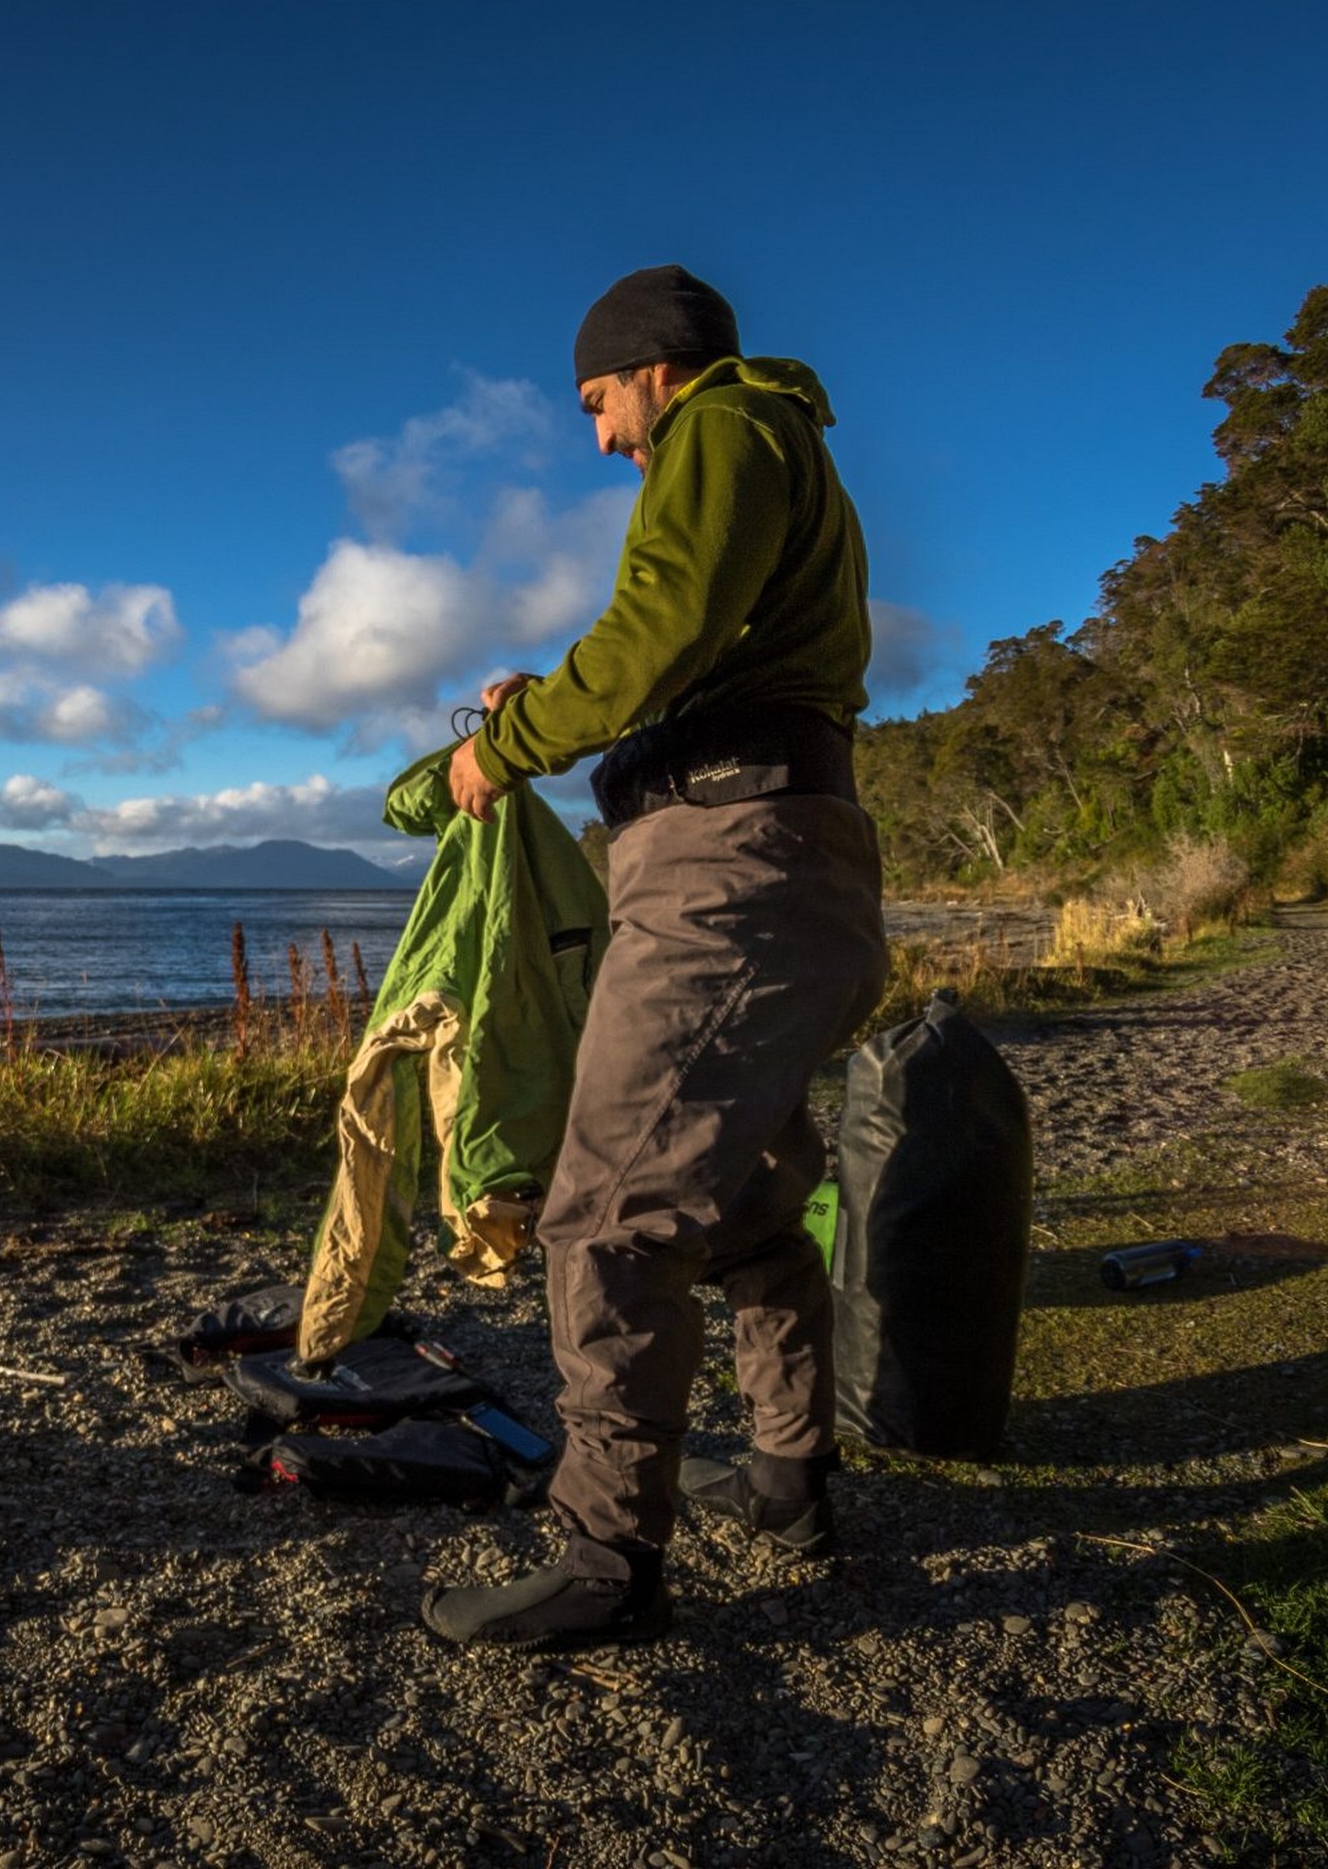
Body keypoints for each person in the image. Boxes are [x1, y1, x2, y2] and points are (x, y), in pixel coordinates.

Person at [421, 265, 889, 1649]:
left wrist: (500, 747)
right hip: (795, 871)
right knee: (750, 1193)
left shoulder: (726, 430)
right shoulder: (779, 456)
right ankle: (790, 1476)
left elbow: (659, 628)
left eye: (598, 402)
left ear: (653, 370)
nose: (603, 440)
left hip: (729, 885)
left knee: (606, 1213)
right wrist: (567, 697)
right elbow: (691, 651)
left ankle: (605, 1551)